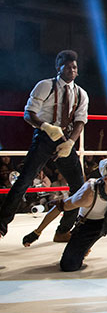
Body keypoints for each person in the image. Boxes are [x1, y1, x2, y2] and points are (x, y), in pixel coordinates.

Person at [0, 50, 88, 241]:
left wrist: (70, 142)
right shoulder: (45, 86)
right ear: (58, 67)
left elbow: (80, 121)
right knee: (24, 181)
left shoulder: (81, 94)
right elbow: (29, 113)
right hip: (44, 137)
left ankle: (63, 230)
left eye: (74, 67)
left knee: (79, 187)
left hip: (65, 139)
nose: (72, 70)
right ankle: (1, 226)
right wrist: (46, 126)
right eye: (68, 67)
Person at [22, 158, 107, 270]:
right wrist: (37, 232)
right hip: (90, 225)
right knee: (69, 265)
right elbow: (59, 207)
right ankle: (84, 246)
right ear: (106, 179)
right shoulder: (88, 194)